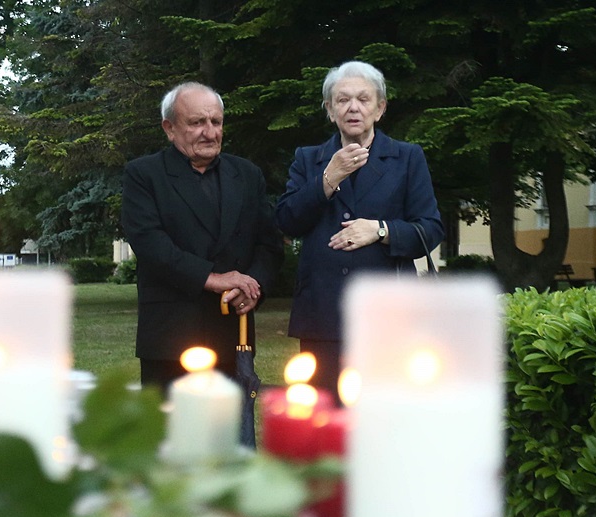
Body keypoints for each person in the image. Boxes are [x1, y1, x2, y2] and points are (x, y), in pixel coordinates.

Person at [276, 61, 444, 397]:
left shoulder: (407, 158)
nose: (353, 107)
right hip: (323, 315)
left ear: (380, 108)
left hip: (388, 318)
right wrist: (329, 177)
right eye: (342, 100)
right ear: (330, 109)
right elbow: (286, 221)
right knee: (325, 423)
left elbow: (430, 229)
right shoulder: (309, 159)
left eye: (364, 99)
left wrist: (381, 230)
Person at [122, 82, 284, 391]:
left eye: (216, 122)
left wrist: (253, 287)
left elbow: (269, 244)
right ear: (169, 128)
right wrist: (212, 278)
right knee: (170, 436)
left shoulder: (248, 175)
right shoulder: (144, 175)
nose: (210, 132)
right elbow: (149, 244)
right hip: (171, 337)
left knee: (227, 437)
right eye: (197, 122)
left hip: (232, 335)